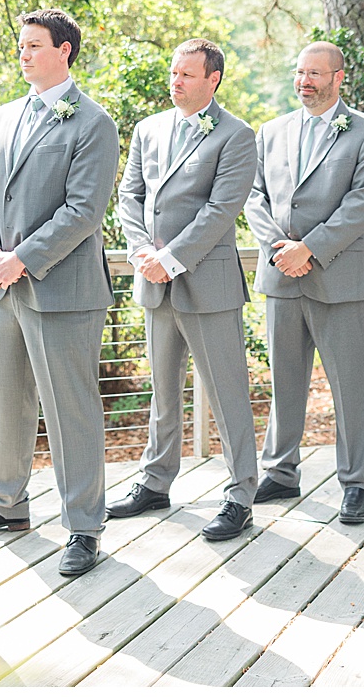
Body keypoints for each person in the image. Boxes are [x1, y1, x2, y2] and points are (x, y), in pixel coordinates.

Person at [0, 9, 118, 577]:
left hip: (63, 290)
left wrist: (21, 260)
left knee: (70, 409)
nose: (23, 54)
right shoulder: (3, 117)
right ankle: (7, 501)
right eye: (21, 45)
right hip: (0, 287)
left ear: (64, 51)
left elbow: (83, 211)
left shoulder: (93, 122)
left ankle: (84, 526)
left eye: (34, 45)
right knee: (6, 398)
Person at [109, 38, 259, 541]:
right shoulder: (147, 129)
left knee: (227, 393)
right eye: (174, 72)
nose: (176, 81)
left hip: (207, 284)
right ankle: (155, 482)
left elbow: (220, 210)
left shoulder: (236, 135)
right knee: (163, 391)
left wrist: (169, 259)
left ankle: (241, 494)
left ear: (213, 79)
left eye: (187, 74)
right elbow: (129, 195)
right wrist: (140, 253)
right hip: (153, 282)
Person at [243, 41, 364, 525]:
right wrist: (279, 249)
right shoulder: (271, 131)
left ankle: (355, 481)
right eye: (300, 72)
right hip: (280, 275)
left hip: (339, 278)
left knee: (350, 386)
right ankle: (280, 472)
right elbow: (253, 196)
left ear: (338, 77)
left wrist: (309, 248)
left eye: (315, 74)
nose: (305, 81)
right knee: (284, 380)